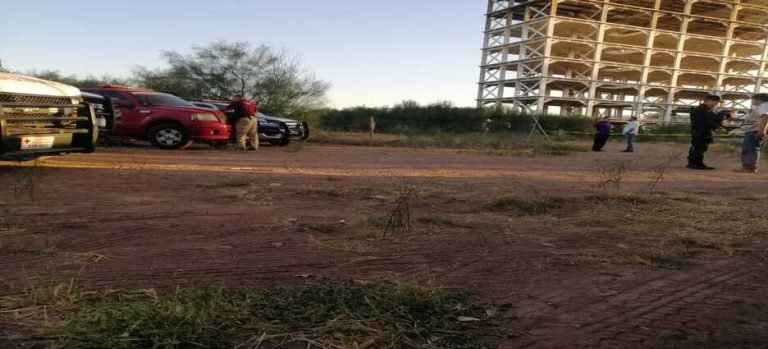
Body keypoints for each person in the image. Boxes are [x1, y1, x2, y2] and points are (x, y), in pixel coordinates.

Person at [687, 95, 725, 170]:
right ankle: (697, 164)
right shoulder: (705, 109)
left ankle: (692, 163)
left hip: (697, 131)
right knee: (700, 147)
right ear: (711, 101)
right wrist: (722, 115)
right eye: (716, 102)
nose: (717, 104)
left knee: (695, 146)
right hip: (702, 131)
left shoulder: (699, 109)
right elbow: (714, 118)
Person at [736, 93, 768, 173]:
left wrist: (762, 130)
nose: (752, 101)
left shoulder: (763, 106)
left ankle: (749, 168)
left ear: (758, 99)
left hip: (755, 130)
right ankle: (750, 167)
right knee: (752, 148)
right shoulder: (764, 106)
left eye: (752, 99)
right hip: (755, 129)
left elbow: (765, 117)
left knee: (750, 148)